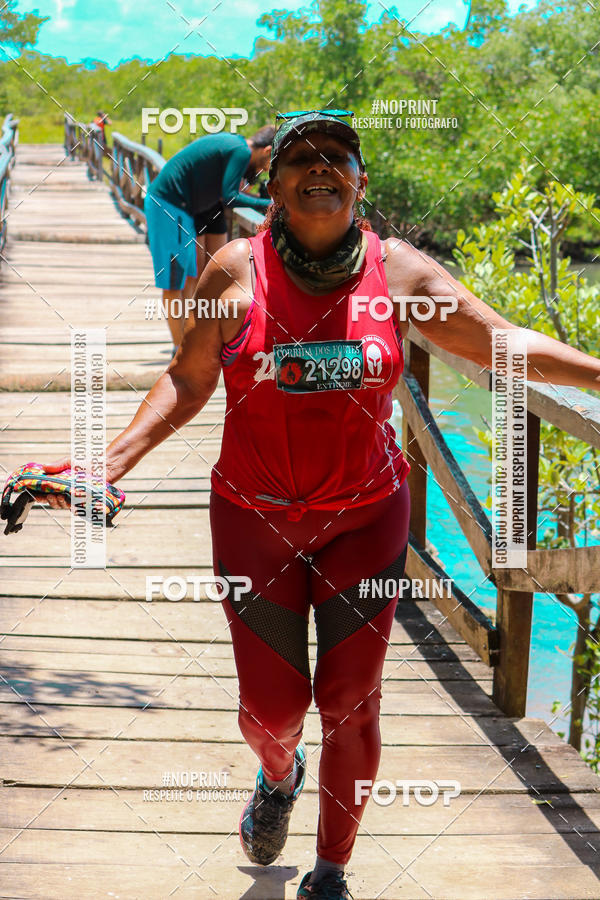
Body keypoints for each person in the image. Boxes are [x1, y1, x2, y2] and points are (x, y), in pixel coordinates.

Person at [26, 110, 600, 898]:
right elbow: (189, 378)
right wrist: (109, 462)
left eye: (338, 155)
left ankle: (331, 871)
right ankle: (280, 773)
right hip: (253, 521)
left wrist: (599, 374)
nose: (320, 166)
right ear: (273, 187)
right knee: (270, 713)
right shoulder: (233, 271)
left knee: (350, 704)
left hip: (365, 521)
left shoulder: (400, 275)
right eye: (301, 158)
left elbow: (503, 344)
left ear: (362, 182)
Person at [144, 126, 275, 348]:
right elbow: (230, 197)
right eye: (272, 160)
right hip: (168, 205)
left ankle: (187, 345)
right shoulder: (241, 151)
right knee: (173, 284)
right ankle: (180, 352)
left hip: (181, 210)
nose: (268, 167)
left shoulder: (237, 145)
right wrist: (268, 205)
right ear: (267, 150)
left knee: (186, 280)